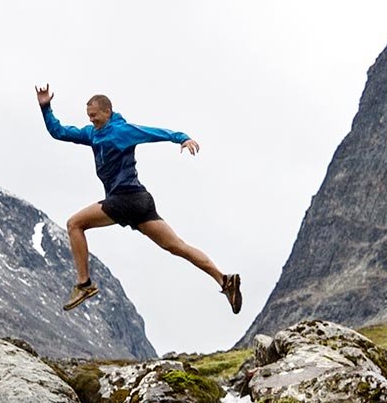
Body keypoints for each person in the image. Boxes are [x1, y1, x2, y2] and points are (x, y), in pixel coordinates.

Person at [36, 86, 239, 316]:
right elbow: (59, 132)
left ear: (108, 112)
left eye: (95, 115)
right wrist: (46, 107)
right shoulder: (91, 134)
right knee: (177, 246)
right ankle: (224, 280)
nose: (91, 120)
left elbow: (153, 133)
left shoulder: (122, 131)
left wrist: (182, 138)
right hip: (138, 202)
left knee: (75, 224)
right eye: (89, 116)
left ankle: (84, 284)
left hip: (127, 198)